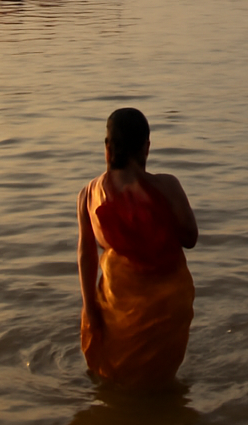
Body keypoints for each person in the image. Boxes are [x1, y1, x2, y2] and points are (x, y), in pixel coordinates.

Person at [77, 108, 198, 387]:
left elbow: (86, 256)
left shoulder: (89, 195)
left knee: (114, 382)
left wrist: (90, 309)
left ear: (108, 147)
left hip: (120, 308)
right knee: (161, 385)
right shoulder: (167, 186)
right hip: (169, 306)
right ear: (146, 147)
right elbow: (190, 238)